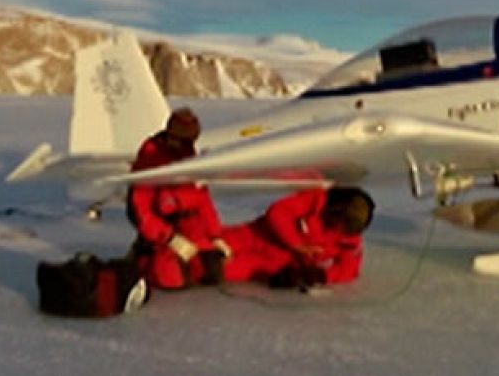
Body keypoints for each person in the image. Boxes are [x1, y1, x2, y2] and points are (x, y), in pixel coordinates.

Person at [127, 107, 229, 289]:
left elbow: (202, 199)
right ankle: (142, 259)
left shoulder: (188, 155)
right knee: (172, 279)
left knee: (213, 269)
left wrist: (215, 235)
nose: (189, 145)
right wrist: (169, 238)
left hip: (187, 227)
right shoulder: (149, 161)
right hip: (161, 230)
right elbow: (141, 211)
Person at [221, 186, 375, 288]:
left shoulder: (349, 239)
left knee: (223, 270)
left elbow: (349, 269)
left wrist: (319, 276)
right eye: (341, 224)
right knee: (212, 242)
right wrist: (296, 243)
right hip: (256, 235)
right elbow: (278, 211)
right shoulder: (315, 200)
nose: (341, 230)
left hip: (273, 263)